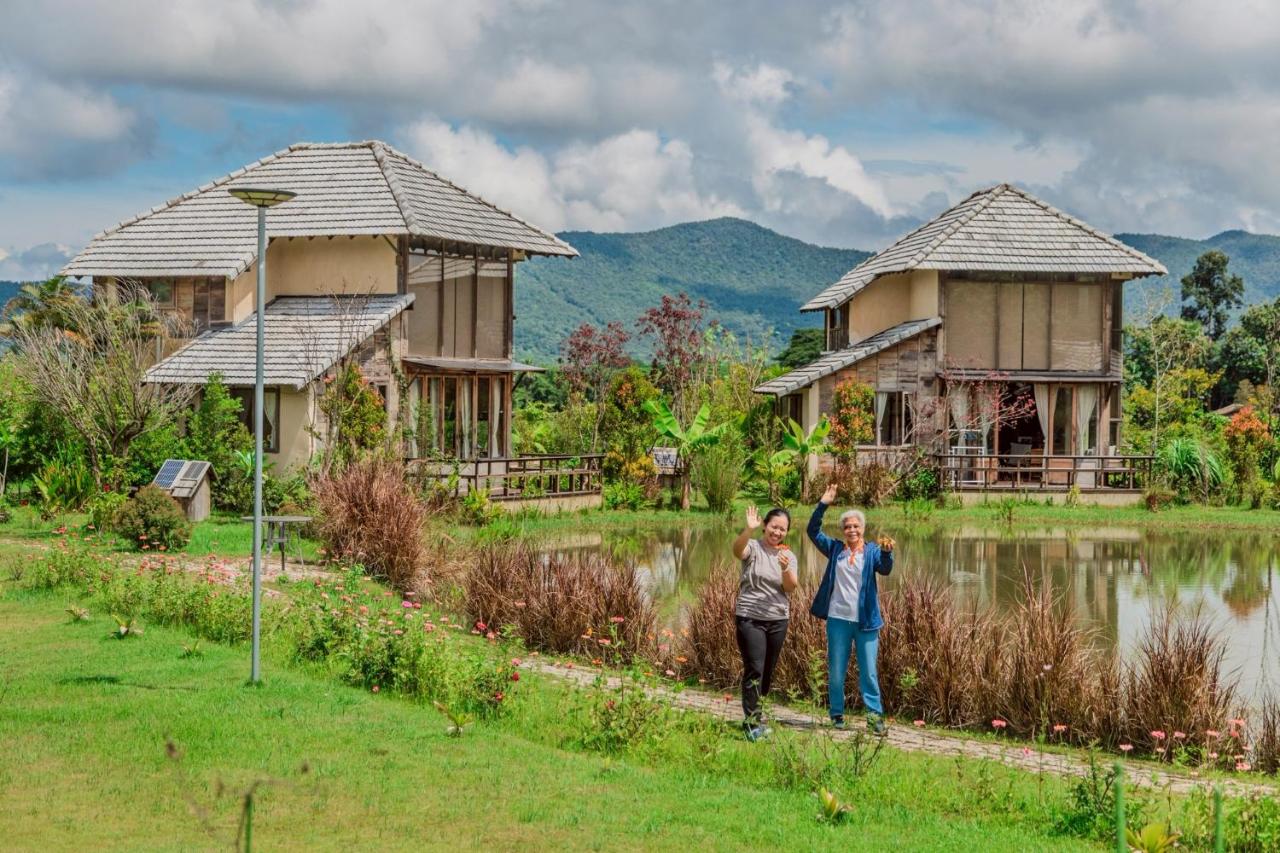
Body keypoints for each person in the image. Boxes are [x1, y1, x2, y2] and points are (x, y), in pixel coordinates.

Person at [807, 483, 895, 734]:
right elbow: (812, 531)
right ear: (843, 530)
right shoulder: (835, 549)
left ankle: (874, 718)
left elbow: (885, 569)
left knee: (868, 672)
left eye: (856, 526)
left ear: (863, 529)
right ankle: (837, 715)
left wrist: (888, 554)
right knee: (836, 671)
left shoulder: (873, 552)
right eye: (847, 526)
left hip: (866, 622)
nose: (852, 530)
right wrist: (823, 504)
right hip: (837, 620)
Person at [731, 505, 798, 741]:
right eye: (774, 527)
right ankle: (751, 725)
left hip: (778, 619)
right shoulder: (754, 548)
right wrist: (747, 530)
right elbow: (737, 550)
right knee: (755, 669)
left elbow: (790, 587)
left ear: (787, 532)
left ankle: (756, 719)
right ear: (765, 526)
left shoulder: (787, 556)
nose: (777, 532)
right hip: (750, 617)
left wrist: (785, 568)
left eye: (782, 529)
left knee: (767, 672)